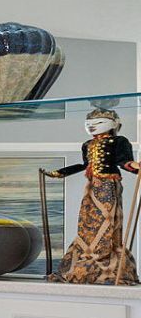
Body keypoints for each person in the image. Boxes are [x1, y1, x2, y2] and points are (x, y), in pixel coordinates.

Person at [43, 107, 138, 285]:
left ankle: (106, 262)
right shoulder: (87, 144)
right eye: (89, 124)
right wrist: (58, 173)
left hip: (109, 185)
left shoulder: (119, 141)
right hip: (92, 186)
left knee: (107, 220)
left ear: (113, 124)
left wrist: (135, 167)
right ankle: (87, 254)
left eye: (98, 122)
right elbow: (83, 165)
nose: (92, 126)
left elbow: (124, 161)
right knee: (87, 221)